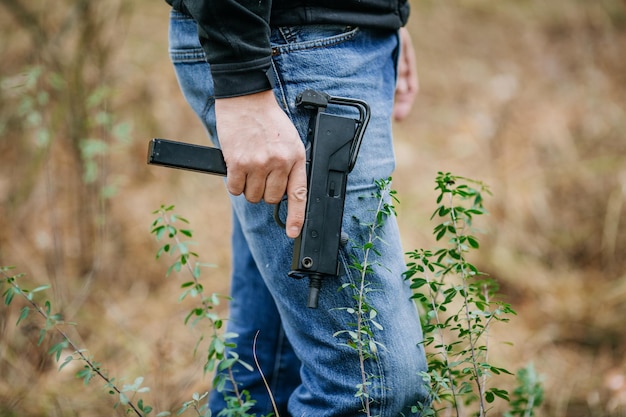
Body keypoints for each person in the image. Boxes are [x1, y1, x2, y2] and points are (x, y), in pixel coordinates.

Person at [164, 1, 427, 415]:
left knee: (266, 370)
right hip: (283, 48)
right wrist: (243, 77)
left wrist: (381, 13)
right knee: (371, 385)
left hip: (323, 36)